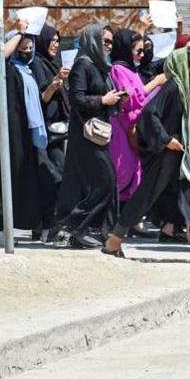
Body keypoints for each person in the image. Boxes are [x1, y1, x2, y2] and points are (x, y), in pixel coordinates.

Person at [102, 47, 190, 263]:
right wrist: (167, 140)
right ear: (182, 67)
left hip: (185, 154)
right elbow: (149, 115)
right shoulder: (173, 87)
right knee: (146, 195)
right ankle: (114, 239)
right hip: (167, 154)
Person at [55, 24, 123, 249]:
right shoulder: (82, 66)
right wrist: (103, 101)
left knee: (104, 181)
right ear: (92, 41)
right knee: (105, 179)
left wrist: (115, 99)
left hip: (98, 133)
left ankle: (91, 229)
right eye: (104, 41)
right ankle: (75, 225)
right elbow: (77, 99)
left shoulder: (100, 67)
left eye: (110, 42)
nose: (108, 46)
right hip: (85, 133)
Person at [0, 31, 51, 247]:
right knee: (6, 175)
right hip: (10, 132)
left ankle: (37, 224)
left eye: (29, 47)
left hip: (29, 133)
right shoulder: (7, 69)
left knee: (33, 178)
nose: (27, 51)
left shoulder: (29, 70)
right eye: (21, 47)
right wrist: (22, 31)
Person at [108, 28, 166, 220]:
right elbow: (131, 98)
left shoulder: (130, 69)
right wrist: (155, 82)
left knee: (135, 172)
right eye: (138, 51)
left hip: (135, 127)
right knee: (122, 172)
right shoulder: (118, 69)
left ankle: (129, 219)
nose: (142, 55)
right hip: (123, 129)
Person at [28, 23, 71, 237]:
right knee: (55, 177)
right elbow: (42, 97)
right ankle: (50, 225)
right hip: (46, 130)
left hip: (59, 128)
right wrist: (55, 83)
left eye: (58, 41)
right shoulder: (37, 63)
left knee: (56, 177)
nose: (55, 45)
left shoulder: (53, 63)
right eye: (52, 40)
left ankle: (46, 225)